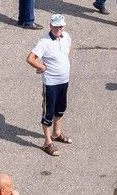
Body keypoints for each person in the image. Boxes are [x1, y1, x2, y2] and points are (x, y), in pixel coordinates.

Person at [27, 14, 73, 157]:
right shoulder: (44, 42)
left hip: (64, 81)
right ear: (50, 26)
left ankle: (56, 133)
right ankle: (47, 142)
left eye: (61, 26)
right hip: (51, 83)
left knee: (60, 109)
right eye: (56, 26)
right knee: (48, 112)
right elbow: (30, 58)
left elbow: (67, 51)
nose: (58, 28)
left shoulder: (66, 37)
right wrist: (41, 67)